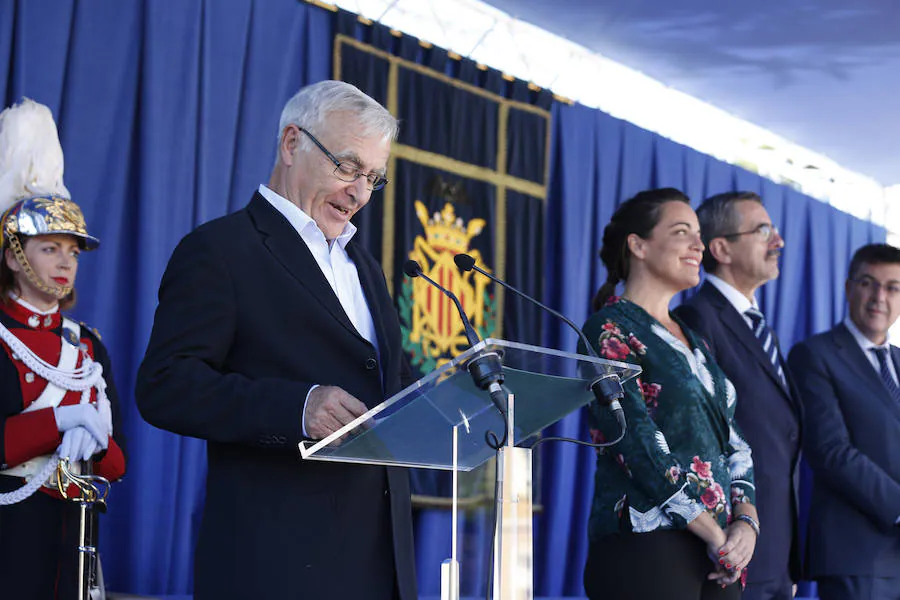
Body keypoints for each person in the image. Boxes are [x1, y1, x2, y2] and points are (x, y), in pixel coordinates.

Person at [136, 80, 416, 600]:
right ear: (292, 144)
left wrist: (458, 397)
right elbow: (165, 384)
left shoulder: (366, 267)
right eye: (348, 167)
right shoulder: (220, 250)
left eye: (373, 178)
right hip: (276, 565)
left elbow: (387, 382)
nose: (359, 192)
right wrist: (297, 407)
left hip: (380, 564)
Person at [581, 188, 759, 600]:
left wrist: (746, 522)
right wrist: (713, 530)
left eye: (699, 234)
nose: (699, 245)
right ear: (638, 245)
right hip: (647, 544)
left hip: (717, 553)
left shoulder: (695, 339)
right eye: (682, 232)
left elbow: (734, 439)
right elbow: (633, 439)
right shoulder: (610, 328)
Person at [0, 99, 126, 599]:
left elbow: (117, 466)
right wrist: (61, 421)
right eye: (50, 248)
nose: (65, 263)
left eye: (71, 252)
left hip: (73, 535)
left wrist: (93, 437)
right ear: (14, 255)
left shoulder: (87, 344)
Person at [675, 191, 802, 600]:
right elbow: (703, 437)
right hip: (732, 549)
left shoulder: (759, 325)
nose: (778, 242)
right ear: (721, 248)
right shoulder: (698, 318)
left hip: (775, 551)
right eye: (763, 230)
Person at [787, 243, 900, 600]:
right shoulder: (814, 355)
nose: (879, 297)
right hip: (858, 555)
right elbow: (830, 450)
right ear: (849, 287)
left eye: (893, 287)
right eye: (869, 283)